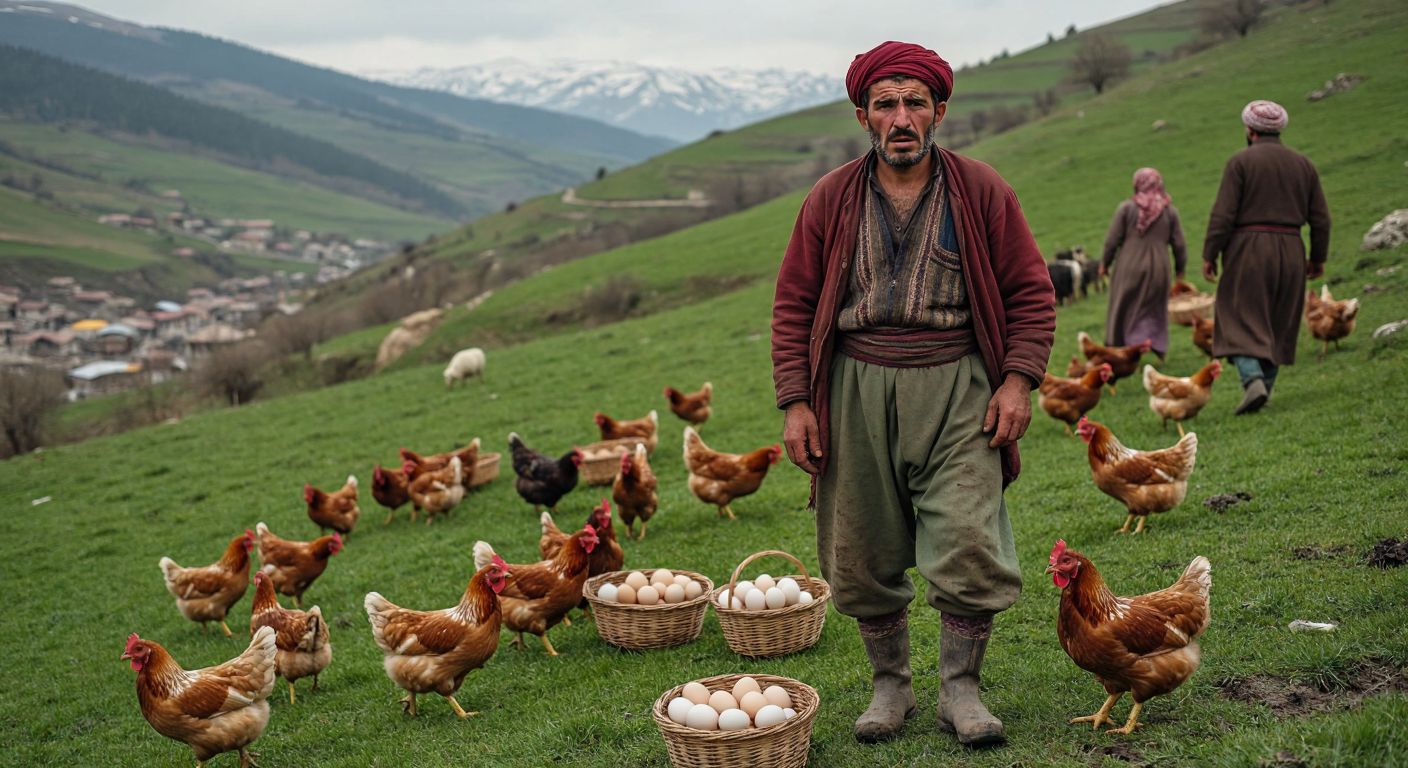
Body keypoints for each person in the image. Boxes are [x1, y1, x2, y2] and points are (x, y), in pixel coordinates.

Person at [770, 41, 1055, 747]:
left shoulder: (982, 190)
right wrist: (796, 401)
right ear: (863, 114)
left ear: (939, 111)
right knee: (862, 550)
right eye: (886, 103)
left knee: (967, 539)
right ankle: (889, 686)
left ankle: (961, 689)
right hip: (854, 389)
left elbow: (1030, 292)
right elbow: (794, 304)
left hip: (959, 386)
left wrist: (1018, 381)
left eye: (915, 103)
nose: (902, 117)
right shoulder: (831, 198)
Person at [1202, 100, 1330, 414]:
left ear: (1250, 130)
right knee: (1279, 319)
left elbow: (1223, 215)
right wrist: (1317, 257)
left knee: (1237, 314)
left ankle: (1253, 380)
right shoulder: (1304, 165)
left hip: (1249, 247)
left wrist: (1210, 254)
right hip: (1291, 247)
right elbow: (1321, 219)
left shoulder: (1240, 162)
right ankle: (1264, 389)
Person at [1101, 167, 1187, 358]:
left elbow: (1112, 240)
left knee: (1126, 304)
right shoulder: (1170, 211)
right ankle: (1149, 342)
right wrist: (1180, 270)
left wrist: (1105, 264)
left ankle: (1127, 346)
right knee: (1152, 306)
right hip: (1160, 267)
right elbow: (1179, 244)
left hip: (1129, 265)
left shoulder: (1127, 208)